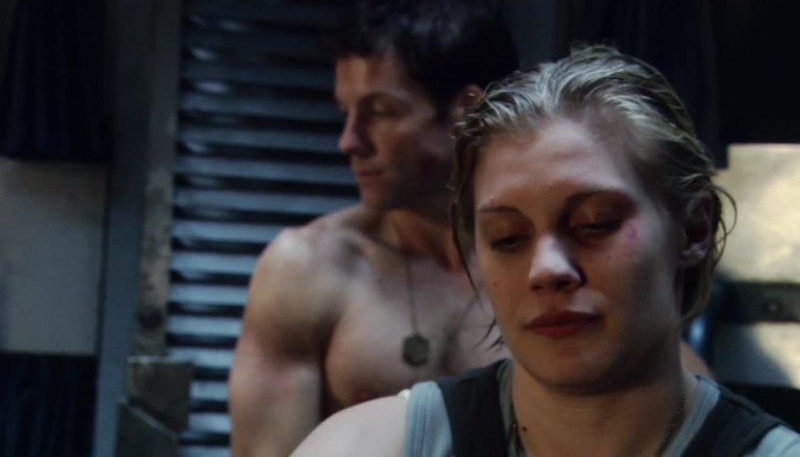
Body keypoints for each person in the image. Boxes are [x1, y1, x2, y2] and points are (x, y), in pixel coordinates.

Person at [292, 46, 800, 456]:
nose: (547, 269)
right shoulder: (367, 447)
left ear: (693, 230)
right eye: (508, 238)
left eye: (594, 224)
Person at [228, 0, 520, 456]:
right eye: (345, 112)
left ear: (467, 111)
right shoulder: (307, 268)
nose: (349, 141)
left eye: (380, 111)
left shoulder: (545, 270)